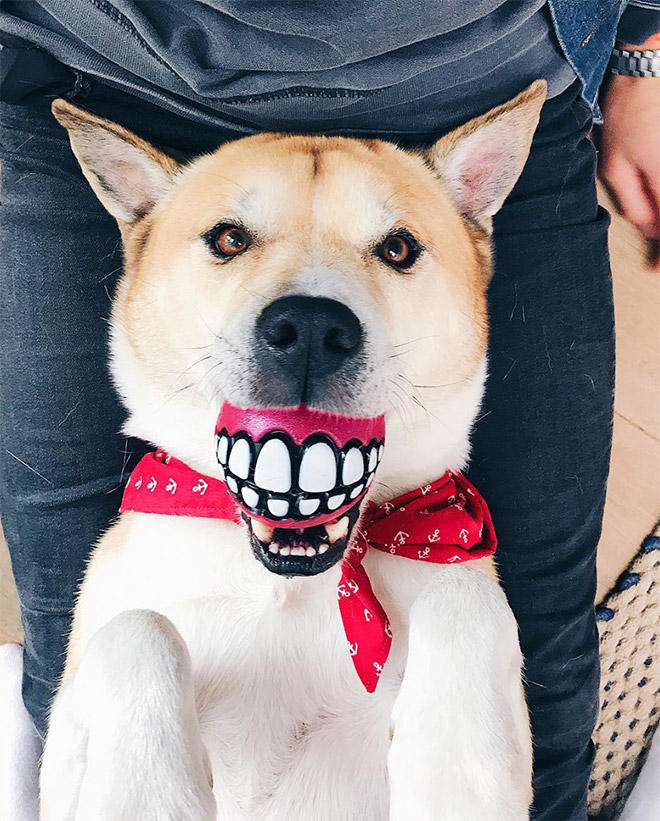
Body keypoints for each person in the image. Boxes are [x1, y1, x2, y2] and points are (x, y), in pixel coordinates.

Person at [0, 2, 658, 818]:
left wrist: (641, 50)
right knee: (112, 652)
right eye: (236, 240)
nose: (309, 312)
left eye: (392, 249)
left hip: (486, 69)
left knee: (524, 668)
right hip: (90, 59)